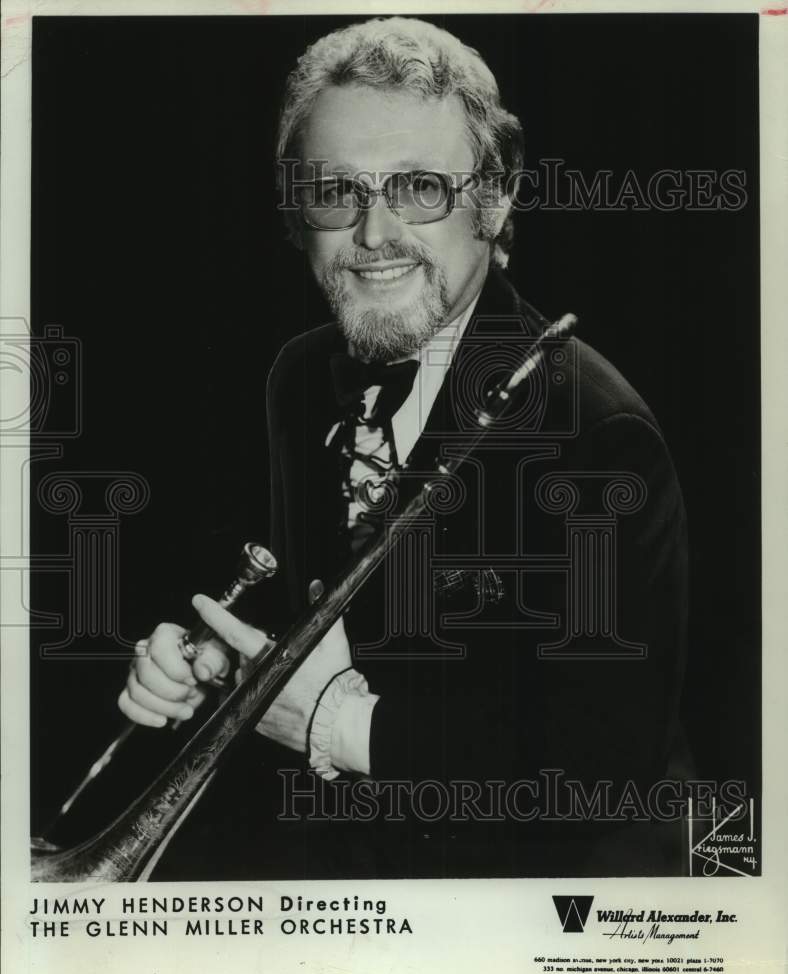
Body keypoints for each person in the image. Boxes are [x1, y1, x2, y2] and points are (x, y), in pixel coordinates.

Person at [118, 17, 688, 878]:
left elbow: (602, 764)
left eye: (420, 187)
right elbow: (318, 611)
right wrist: (211, 665)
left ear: (495, 198)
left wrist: (335, 724)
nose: (374, 234)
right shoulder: (302, 376)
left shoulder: (598, 434)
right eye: (335, 191)